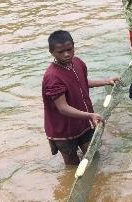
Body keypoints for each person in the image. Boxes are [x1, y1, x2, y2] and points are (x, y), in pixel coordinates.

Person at [42, 30, 118, 165]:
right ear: (51, 52)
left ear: (73, 46)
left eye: (69, 49)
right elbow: (63, 108)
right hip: (63, 130)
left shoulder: (77, 63)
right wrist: (90, 115)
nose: (66, 54)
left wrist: (106, 81)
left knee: (93, 155)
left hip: (82, 123)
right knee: (72, 164)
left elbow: (82, 82)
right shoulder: (52, 77)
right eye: (60, 52)